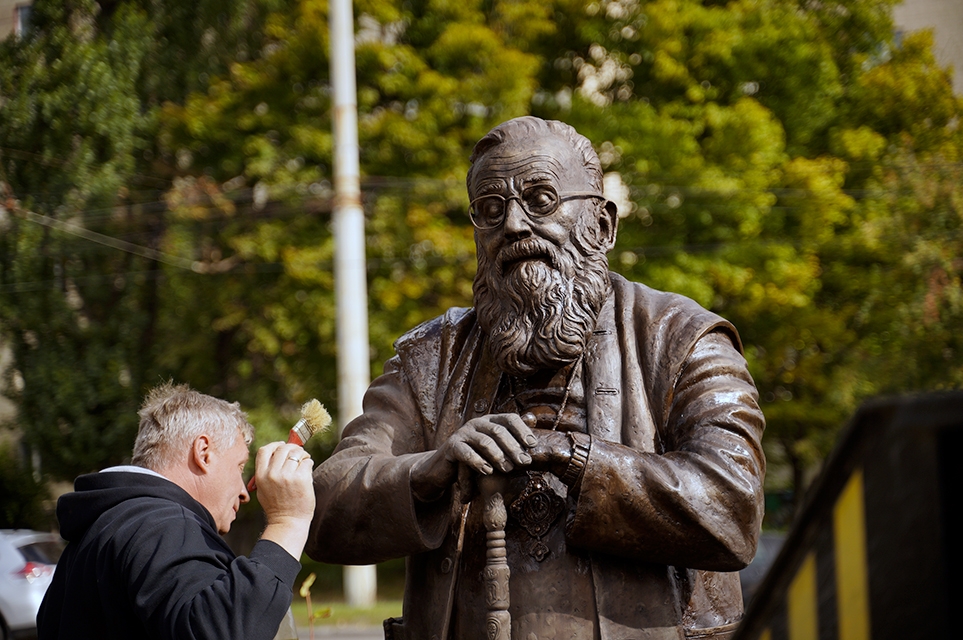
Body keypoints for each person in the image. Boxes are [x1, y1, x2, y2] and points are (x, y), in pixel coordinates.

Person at [307, 116, 766, 640]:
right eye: (490, 210)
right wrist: (427, 472)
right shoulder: (430, 358)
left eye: (541, 199)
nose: (515, 226)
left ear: (603, 224)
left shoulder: (681, 339)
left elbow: (732, 506)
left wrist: (575, 458)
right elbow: (327, 507)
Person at [37, 381, 315, 640]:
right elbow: (222, 631)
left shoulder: (99, 532)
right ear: (203, 452)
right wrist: (288, 521)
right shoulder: (162, 523)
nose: (244, 492)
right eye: (240, 467)